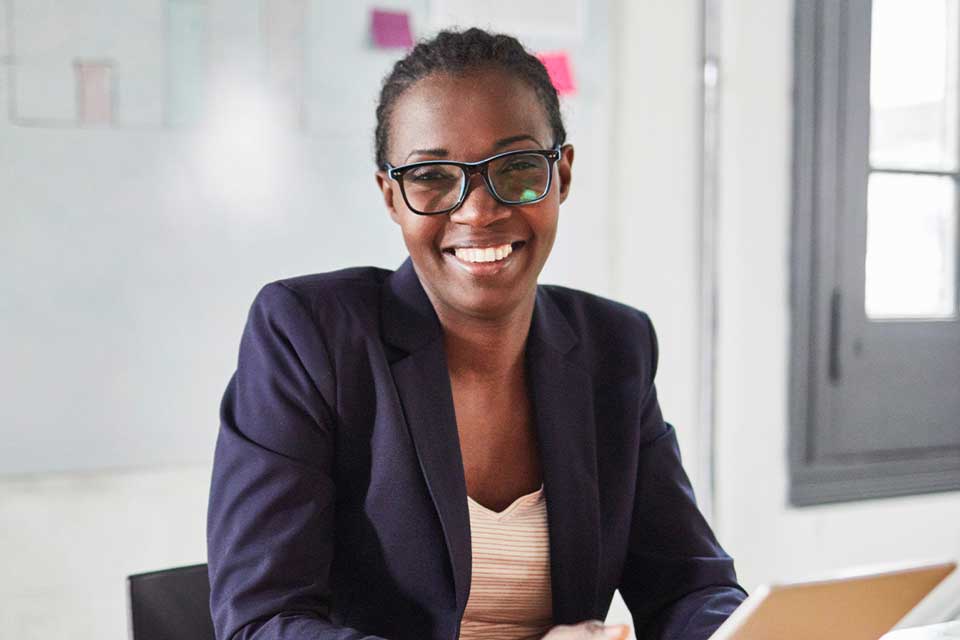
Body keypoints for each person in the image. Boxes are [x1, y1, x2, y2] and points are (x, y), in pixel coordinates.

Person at [206, 27, 747, 640]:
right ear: (392, 196)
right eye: (432, 176)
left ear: (561, 176)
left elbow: (691, 586)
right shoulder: (309, 336)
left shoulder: (614, 347)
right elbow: (261, 621)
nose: (477, 211)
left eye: (516, 169)